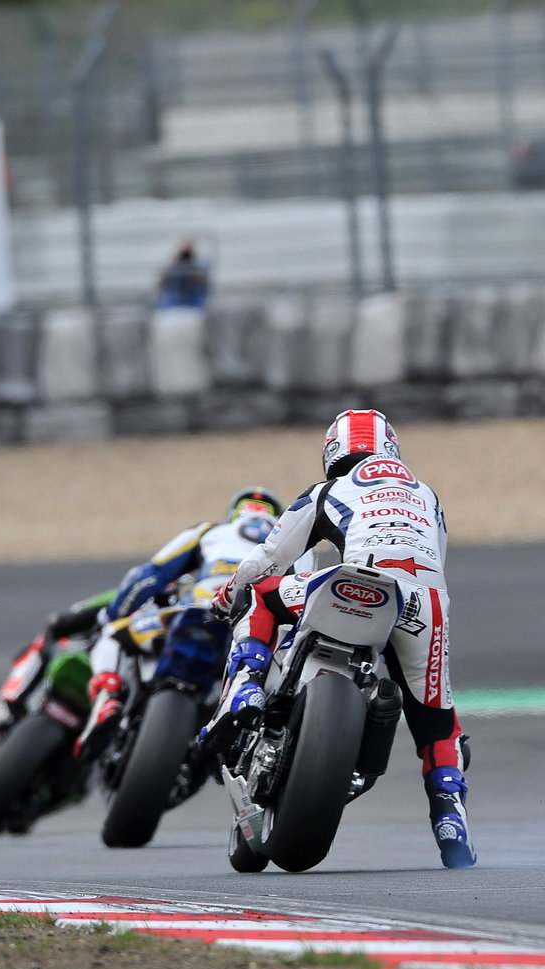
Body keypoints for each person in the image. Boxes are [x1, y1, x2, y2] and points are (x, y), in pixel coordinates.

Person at [201, 409, 476, 869]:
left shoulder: (327, 491)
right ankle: (451, 819)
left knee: (261, 595)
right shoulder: (428, 496)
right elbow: (435, 559)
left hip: (350, 579)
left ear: (332, 452)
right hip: (422, 602)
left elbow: (269, 558)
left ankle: (245, 685)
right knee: (437, 720)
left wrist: (228, 593)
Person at [74, 488, 283, 757]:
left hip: (195, 610)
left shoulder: (210, 531)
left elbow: (149, 575)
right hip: (250, 633)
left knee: (113, 634)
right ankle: (245, 735)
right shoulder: (292, 540)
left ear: (233, 514)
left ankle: (108, 695)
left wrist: (114, 615)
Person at [0, 588, 118, 749]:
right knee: (48, 638)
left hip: (120, 695)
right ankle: (2, 711)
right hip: (88, 668)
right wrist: (73, 619)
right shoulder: (140, 587)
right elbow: (66, 618)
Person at [156, 240, 211, 310]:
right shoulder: (172, 266)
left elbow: (205, 283)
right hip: (171, 303)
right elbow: (160, 284)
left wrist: (192, 275)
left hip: (194, 303)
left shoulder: (199, 266)